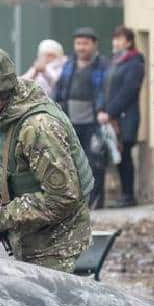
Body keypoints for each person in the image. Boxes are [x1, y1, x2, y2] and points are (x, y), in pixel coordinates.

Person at [0, 45, 94, 273]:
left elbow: (62, 198)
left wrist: (3, 217)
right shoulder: (3, 114)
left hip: (58, 251)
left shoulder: (38, 128)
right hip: (32, 244)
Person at [54, 27, 108, 209]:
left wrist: (102, 110)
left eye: (85, 43)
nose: (81, 47)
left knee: (95, 162)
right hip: (70, 122)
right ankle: (76, 201)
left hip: (93, 123)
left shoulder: (102, 65)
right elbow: (59, 90)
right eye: (78, 43)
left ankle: (96, 201)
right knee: (71, 161)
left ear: (94, 44)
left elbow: (105, 92)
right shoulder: (69, 64)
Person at [99, 26, 145, 208]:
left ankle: (128, 195)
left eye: (119, 39)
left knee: (125, 155)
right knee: (117, 155)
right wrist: (102, 109)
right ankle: (123, 194)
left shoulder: (135, 63)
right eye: (114, 39)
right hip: (111, 117)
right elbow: (106, 88)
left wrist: (110, 112)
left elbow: (128, 91)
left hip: (126, 117)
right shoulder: (115, 61)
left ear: (129, 42)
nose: (115, 43)